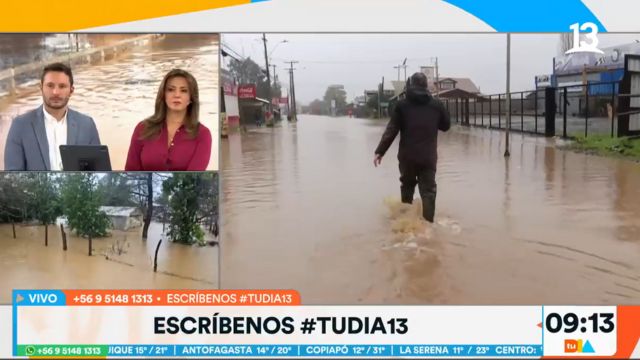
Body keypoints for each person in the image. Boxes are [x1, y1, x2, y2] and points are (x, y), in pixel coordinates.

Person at [374, 72, 450, 223]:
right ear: (425, 85)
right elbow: (446, 126)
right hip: (428, 158)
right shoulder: (436, 104)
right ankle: (428, 227)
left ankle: (405, 224)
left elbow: (392, 130)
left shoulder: (402, 105)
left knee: (407, 187)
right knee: (428, 192)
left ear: (410, 85)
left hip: (407, 157)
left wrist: (380, 151)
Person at [4, 63, 100, 170]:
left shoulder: (87, 125)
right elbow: (12, 176)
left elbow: (96, 173)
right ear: (41, 88)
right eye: (50, 86)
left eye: (62, 86)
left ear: (71, 91)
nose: (55, 92)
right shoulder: (20, 125)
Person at [125, 69, 212, 171]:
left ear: (191, 98)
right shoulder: (142, 128)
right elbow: (131, 170)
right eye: (171, 90)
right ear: (163, 95)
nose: (177, 95)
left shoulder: (203, 135)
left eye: (183, 90)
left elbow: (195, 177)